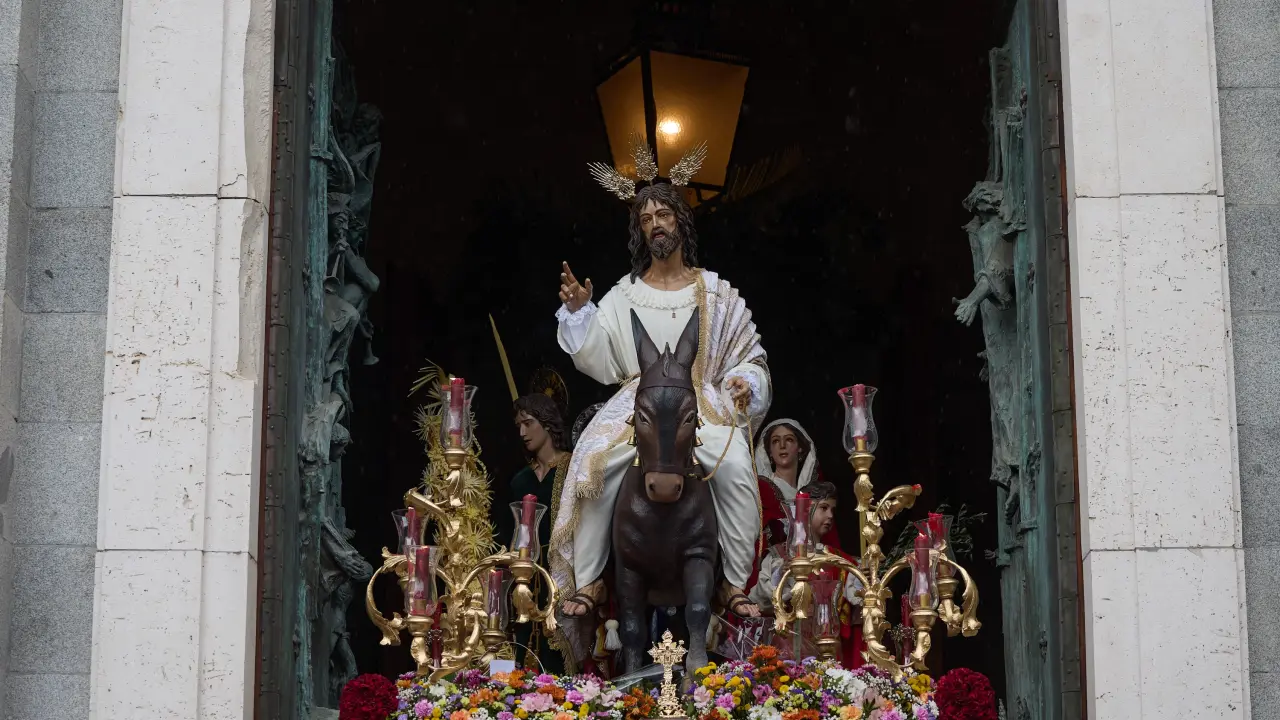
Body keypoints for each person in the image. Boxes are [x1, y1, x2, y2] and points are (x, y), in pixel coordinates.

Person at [549, 177, 771, 640]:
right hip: (640, 403)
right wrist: (581, 314)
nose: (656, 225)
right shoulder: (624, 294)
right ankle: (590, 580)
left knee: (733, 468)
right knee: (594, 466)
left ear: (681, 221)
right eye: (646, 218)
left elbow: (748, 355)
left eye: (664, 215)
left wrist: (744, 381)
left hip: (699, 403)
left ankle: (732, 582)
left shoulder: (715, 292)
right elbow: (601, 359)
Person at [748, 481, 865, 667]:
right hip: (785, 653)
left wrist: (863, 580)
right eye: (824, 508)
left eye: (832, 510)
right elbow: (760, 601)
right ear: (804, 511)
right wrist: (781, 575)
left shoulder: (839, 561)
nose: (830, 515)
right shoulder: (779, 556)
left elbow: (854, 606)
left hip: (827, 656)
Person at [508, 393, 571, 673]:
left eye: (528, 423)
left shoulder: (572, 470)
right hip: (526, 575)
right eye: (518, 426)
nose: (522, 433)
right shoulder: (520, 480)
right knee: (519, 643)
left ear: (546, 422)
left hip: (563, 573)